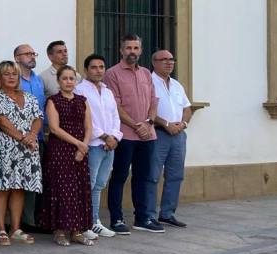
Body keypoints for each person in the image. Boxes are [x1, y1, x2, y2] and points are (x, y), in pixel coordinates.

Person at [104, 34, 162, 234]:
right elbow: (115, 105)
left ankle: (142, 218)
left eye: (136, 48)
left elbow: (153, 101)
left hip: (148, 135)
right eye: (128, 48)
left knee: (143, 177)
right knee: (119, 176)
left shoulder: (146, 73)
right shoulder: (112, 74)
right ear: (121, 50)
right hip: (125, 135)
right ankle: (117, 219)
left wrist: (149, 122)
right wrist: (137, 126)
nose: (132, 52)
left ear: (141, 50)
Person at [0, 60, 42, 246]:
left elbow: (38, 118)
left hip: (27, 149)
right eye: (7, 74)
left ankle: (16, 229)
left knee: (19, 187)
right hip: (5, 148)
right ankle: (1, 229)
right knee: (2, 187)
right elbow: (1, 121)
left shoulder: (29, 97)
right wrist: (22, 138)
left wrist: (32, 135)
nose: (11, 77)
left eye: (14, 74)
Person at [42, 66, 94, 246]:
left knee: (79, 188)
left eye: (72, 78)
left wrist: (83, 146)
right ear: (58, 81)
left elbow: (89, 126)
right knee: (62, 189)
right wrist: (78, 144)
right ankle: (60, 231)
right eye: (64, 78)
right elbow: (54, 128)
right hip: (60, 150)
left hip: (80, 150)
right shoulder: (53, 101)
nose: (69, 81)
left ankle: (77, 231)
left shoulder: (82, 101)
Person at [76, 54, 122, 239]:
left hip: (109, 145)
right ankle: (85, 222)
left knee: (100, 184)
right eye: (94, 67)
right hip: (94, 144)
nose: (98, 70)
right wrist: (103, 136)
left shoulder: (107, 91)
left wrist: (114, 137)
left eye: (101, 67)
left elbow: (115, 116)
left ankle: (94, 221)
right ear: (86, 70)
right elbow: (84, 119)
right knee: (89, 183)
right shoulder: (80, 90)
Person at [149, 50, 192, 228]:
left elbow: (187, 108)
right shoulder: (148, 82)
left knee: (176, 175)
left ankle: (167, 214)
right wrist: (165, 124)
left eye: (171, 59)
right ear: (154, 62)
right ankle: (148, 215)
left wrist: (183, 124)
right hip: (158, 133)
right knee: (152, 175)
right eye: (164, 59)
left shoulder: (176, 85)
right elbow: (146, 110)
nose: (169, 63)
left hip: (178, 135)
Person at [14, 43, 47, 229]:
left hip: (38, 137)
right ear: (17, 58)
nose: (32, 56)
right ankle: (16, 221)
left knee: (34, 179)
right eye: (27, 54)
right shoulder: (13, 79)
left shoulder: (38, 80)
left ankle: (30, 220)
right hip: (18, 137)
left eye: (33, 53)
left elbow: (41, 109)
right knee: (17, 179)